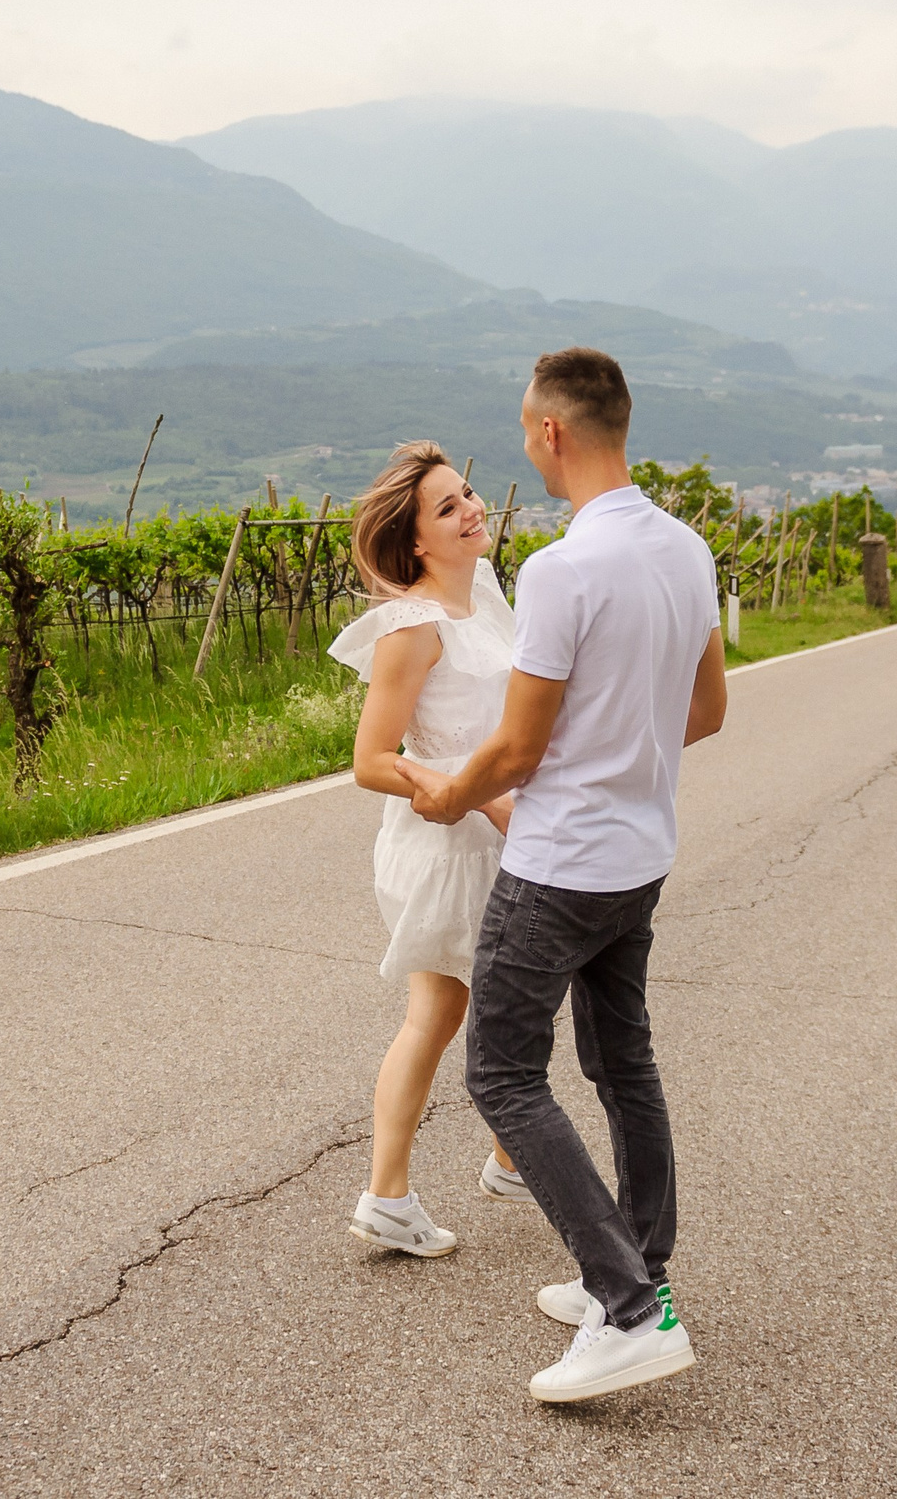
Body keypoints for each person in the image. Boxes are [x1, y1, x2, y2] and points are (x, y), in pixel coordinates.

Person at [399, 347, 728, 1403]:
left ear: (549, 432)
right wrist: (622, 747)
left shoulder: (561, 570)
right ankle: (644, 1277)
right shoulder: (684, 549)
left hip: (556, 867)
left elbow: (518, 750)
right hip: (640, 857)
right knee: (621, 1065)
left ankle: (625, 1310)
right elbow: (707, 710)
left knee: (500, 1072)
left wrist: (449, 795)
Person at [326, 442, 535, 1259]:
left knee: (493, 1004)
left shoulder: (481, 592)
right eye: (447, 509)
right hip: (452, 845)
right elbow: (370, 761)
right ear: (415, 542)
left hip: (500, 833)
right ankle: (395, 1193)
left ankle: (504, 1159)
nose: (472, 510)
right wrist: (483, 796)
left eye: (469, 494)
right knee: (446, 1011)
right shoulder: (410, 628)